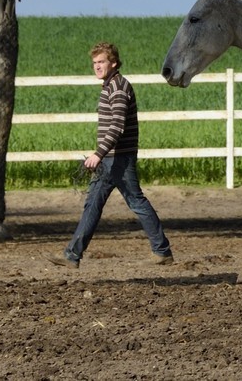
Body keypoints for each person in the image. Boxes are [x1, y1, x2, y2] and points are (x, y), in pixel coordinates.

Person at [49, 42, 173, 268]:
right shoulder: (110, 85)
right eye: (94, 63)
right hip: (110, 159)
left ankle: (162, 250)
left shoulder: (117, 87)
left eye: (101, 62)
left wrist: (98, 154)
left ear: (113, 63)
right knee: (93, 205)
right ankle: (72, 255)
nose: (96, 66)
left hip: (118, 159)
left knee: (136, 202)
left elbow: (117, 125)